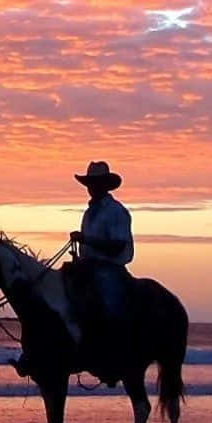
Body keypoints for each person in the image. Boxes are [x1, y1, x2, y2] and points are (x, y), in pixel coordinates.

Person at [69, 159, 133, 380]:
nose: (91, 187)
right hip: (88, 267)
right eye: (90, 183)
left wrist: (86, 239)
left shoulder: (116, 212)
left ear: (105, 185)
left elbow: (118, 245)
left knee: (108, 304)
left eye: (95, 183)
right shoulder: (89, 213)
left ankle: (111, 354)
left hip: (110, 269)